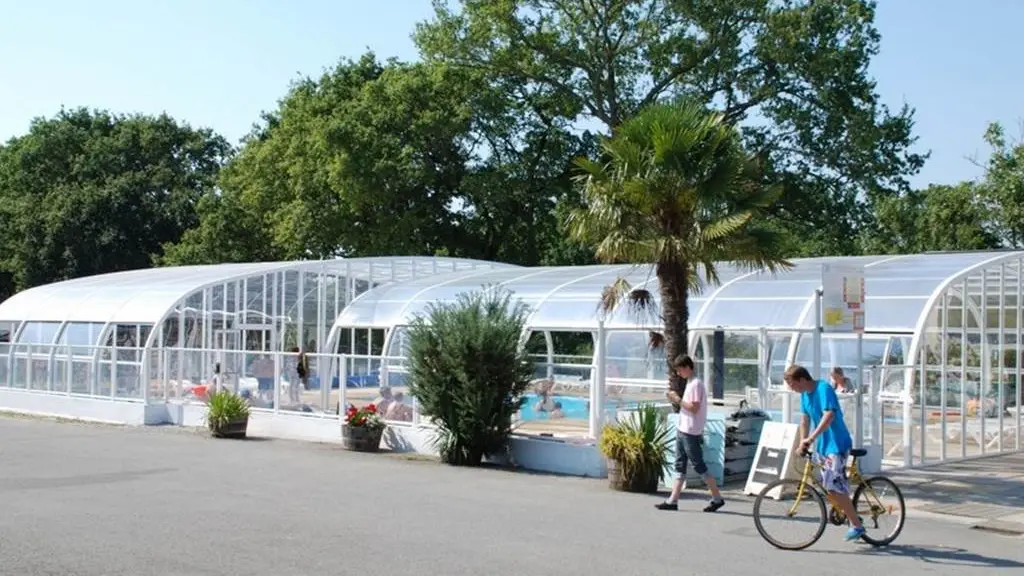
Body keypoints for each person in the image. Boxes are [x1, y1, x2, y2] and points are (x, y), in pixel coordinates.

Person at [783, 364, 865, 542]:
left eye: (793, 385)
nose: (792, 389)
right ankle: (847, 510)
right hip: (823, 446)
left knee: (834, 485)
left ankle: (856, 524)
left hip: (836, 443)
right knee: (829, 485)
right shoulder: (805, 395)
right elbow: (804, 420)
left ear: (803, 379)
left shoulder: (824, 389)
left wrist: (811, 438)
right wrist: (803, 443)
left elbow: (829, 416)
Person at [656, 355, 725, 513]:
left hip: (691, 431)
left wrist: (677, 399)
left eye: (680, 370)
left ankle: (717, 497)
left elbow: (694, 408)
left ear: (688, 367)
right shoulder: (691, 383)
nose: (679, 373)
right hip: (684, 429)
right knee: (680, 464)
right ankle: (673, 500)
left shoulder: (695, 385)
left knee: (698, 464)